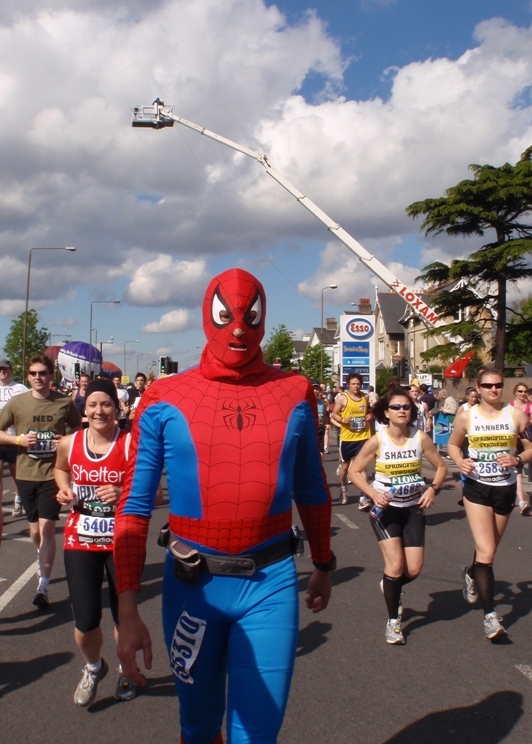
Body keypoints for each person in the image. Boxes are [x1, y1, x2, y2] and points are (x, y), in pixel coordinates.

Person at [114, 269, 333, 744]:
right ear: (206, 317)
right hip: (193, 585)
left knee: (257, 732)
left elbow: (312, 488)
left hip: (270, 584)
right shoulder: (162, 397)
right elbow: (133, 508)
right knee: (197, 726)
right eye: (226, 316)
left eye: (250, 317)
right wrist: (127, 610)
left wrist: (323, 562)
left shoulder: (295, 391)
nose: (238, 329)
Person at [54, 378, 137, 706]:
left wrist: (122, 493)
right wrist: (63, 488)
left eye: (106, 404)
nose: (99, 410)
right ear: (83, 409)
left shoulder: (131, 444)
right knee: (86, 621)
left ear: (117, 409)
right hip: (80, 539)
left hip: (121, 540)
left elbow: (155, 494)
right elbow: (60, 470)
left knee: (122, 617)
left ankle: (126, 670)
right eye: (93, 405)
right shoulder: (70, 443)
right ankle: (93, 667)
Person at [348, 387, 446, 645]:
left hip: (413, 509)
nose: (402, 411)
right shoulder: (377, 440)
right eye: (396, 407)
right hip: (386, 511)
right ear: (385, 413)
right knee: (395, 566)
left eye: (406, 407)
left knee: (413, 569)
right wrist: (371, 493)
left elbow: (441, 467)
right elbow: (355, 471)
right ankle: (394, 622)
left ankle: (391, 586)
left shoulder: (420, 437)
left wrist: (433, 489)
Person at [448, 368, 532, 640]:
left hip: (505, 489)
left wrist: (518, 460)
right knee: (487, 552)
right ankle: (490, 617)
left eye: (498, 385)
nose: (493, 390)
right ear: (478, 387)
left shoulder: (517, 416)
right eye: (487, 386)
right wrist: (460, 461)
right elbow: (452, 445)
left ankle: (470, 572)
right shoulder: (466, 417)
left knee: (490, 548)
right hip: (476, 488)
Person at [0, 355, 82, 607]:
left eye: (43, 373)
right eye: (34, 373)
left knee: (47, 530)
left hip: (53, 475)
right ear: (28, 376)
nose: (39, 377)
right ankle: (40, 556)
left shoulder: (63, 402)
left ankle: (42, 587)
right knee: (35, 530)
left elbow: (79, 430)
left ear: (51, 376)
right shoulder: (17, 403)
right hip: (25, 475)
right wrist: (18, 441)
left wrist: (65, 441)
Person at [332, 372, 371, 508]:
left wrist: (369, 416)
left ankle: (363, 497)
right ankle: (343, 489)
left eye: (358, 384)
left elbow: (368, 412)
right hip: (347, 438)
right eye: (353, 384)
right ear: (348, 384)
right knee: (345, 466)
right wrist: (343, 419)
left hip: (363, 436)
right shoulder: (343, 398)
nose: (356, 386)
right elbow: (334, 414)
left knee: (363, 468)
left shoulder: (364, 397)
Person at [0, 358, 29, 518]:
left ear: (11, 370)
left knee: (16, 473)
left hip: (15, 438)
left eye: (5, 369)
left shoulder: (20, 388)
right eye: (0, 369)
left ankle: (19, 499)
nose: (2, 371)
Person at [510, 383, 532, 515]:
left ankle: (522, 502)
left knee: (519, 472)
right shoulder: (509, 407)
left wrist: (531, 434)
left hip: (524, 441)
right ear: (515, 392)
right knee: (509, 470)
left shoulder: (530, 407)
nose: (522, 393)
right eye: (520, 391)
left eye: (525, 391)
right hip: (510, 441)